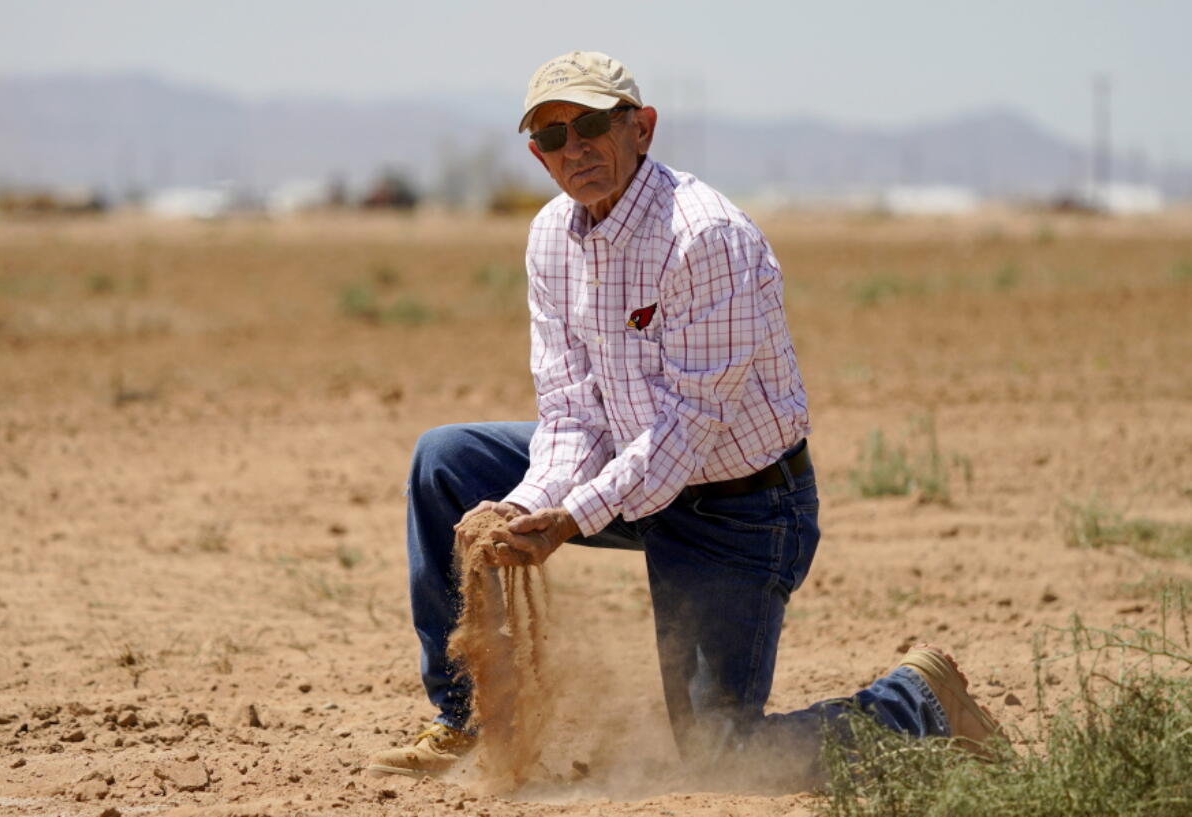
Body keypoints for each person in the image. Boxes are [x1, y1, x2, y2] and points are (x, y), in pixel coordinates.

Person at [368, 51, 1004, 785]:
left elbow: (684, 430)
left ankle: (916, 703)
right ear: (537, 157)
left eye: (591, 125)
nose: (573, 149)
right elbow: (571, 412)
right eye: (551, 137)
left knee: (721, 755)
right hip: (632, 481)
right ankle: (469, 714)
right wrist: (526, 503)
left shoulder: (703, 236)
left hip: (738, 511)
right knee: (446, 460)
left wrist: (569, 517)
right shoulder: (551, 237)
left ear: (641, 127)